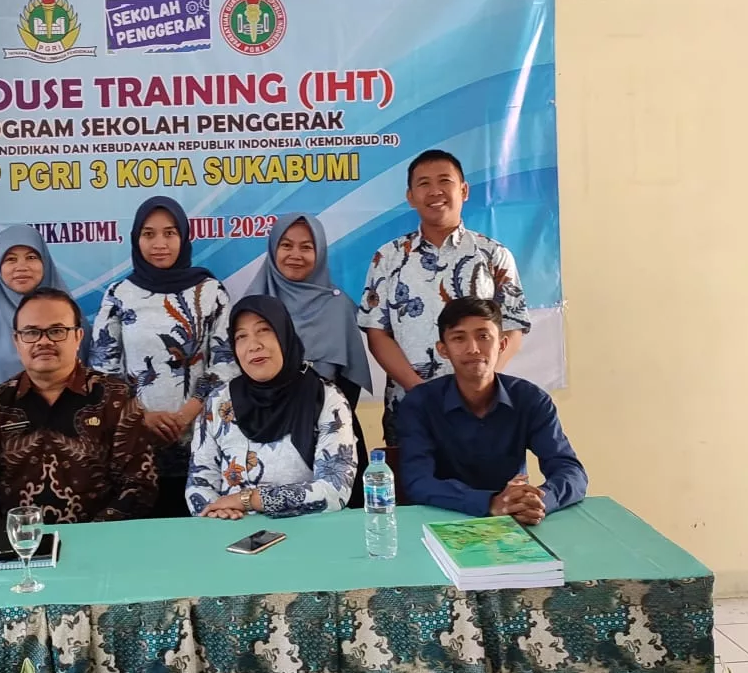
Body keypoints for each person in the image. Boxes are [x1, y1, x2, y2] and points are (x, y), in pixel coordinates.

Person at [358, 148, 531, 446]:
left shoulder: (493, 255)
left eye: (444, 181)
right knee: (411, 477)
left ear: (463, 190)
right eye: (423, 183)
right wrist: (420, 392)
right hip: (410, 408)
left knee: (485, 475)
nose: (435, 191)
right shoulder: (387, 257)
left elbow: (513, 329)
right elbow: (377, 334)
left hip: (480, 409)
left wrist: (478, 386)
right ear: (410, 196)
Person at [0, 287, 157, 524]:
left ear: (78, 336)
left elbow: (138, 486)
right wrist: (9, 538)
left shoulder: (117, 398)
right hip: (15, 542)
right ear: (17, 341)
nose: (44, 341)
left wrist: (95, 535)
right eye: (31, 332)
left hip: (102, 540)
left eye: (57, 331)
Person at [92, 196, 236, 517]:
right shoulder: (119, 295)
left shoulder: (210, 292)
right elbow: (103, 372)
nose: (160, 244)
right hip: (135, 443)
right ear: (136, 239)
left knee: (201, 533)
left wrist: (187, 414)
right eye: (149, 234)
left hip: (201, 439)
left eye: (170, 233)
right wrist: (141, 416)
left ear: (183, 237)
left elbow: (225, 362)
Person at [397, 298, 586, 524]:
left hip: (515, 520)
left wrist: (540, 500)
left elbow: (570, 471)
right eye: (459, 338)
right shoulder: (419, 403)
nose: (473, 349)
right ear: (443, 350)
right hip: (441, 520)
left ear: (502, 344)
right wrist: (490, 503)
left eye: (483, 336)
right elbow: (417, 481)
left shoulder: (531, 400)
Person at [187, 295, 359, 519]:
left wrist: (249, 500)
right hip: (229, 531)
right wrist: (218, 514)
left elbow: (335, 490)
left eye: (264, 330)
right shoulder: (218, 401)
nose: (253, 346)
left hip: (307, 532)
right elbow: (199, 482)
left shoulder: (325, 398)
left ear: (284, 334)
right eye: (241, 336)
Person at [247, 212, 374, 505]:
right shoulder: (252, 307)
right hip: (264, 431)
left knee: (339, 516)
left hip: (329, 430)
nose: (296, 255)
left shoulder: (338, 306)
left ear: (319, 253)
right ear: (273, 249)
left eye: (306, 247)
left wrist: (317, 418)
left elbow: (349, 384)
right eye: (286, 245)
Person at [0, 225, 88, 469]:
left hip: (68, 458)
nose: (21, 267)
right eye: (10, 259)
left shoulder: (71, 316)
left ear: (45, 262)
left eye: (31, 257)